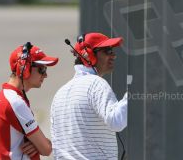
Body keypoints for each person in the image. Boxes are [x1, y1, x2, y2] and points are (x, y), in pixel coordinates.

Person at [50, 32, 128, 160]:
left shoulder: (59, 94)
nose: (113, 55)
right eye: (108, 51)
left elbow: (57, 146)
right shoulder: (96, 84)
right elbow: (116, 121)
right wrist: (133, 93)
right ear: (90, 55)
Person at [0, 42, 59, 159]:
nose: (45, 75)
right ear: (24, 68)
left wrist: (37, 144)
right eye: (41, 69)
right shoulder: (15, 102)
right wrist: (42, 144)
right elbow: (46, 149)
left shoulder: (5, 96)